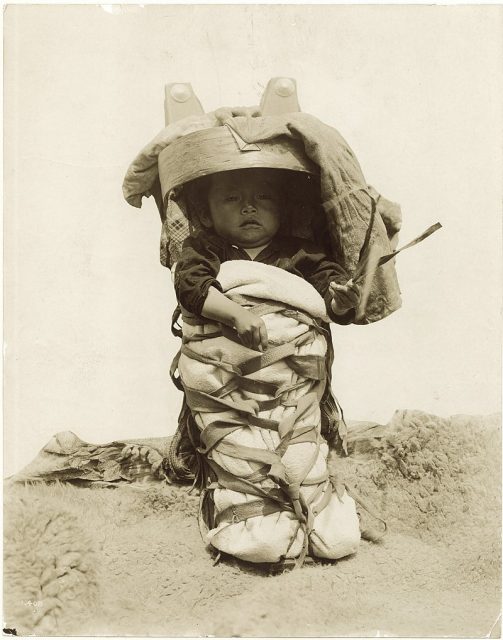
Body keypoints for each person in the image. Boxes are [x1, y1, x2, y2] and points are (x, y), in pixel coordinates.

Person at [174, 167, 361, 352]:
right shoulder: (203, 247)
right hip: (219, 364)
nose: (249, 207)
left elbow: (330, 286)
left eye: (263, 196)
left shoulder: (302, 252)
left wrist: (341, 302)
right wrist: (237, 315)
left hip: (292, 368)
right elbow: (190, 285)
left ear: (282, 208)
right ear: (206, 215)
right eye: (232, 198)